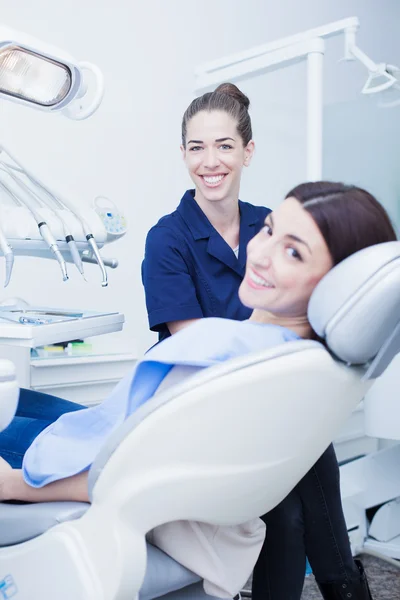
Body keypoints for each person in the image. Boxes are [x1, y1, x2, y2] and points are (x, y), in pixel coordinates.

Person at [0, 181, 396, 600]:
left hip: (73, 469)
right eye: (268, 231)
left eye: (293, 252)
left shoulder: (228, 361)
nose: (260, 255)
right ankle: (345, 586)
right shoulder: (304, 363)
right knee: (23, 399)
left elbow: (122, 479)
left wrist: (10, 485)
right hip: (124, 445)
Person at [141, 83, 396, 600]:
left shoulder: (271, 225)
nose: (209, 161)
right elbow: (202, 351)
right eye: (196, 147)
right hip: (206, 401)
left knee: (304, 465)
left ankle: (344, 588)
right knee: (288, 509)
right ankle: (346, 589)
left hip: (273, 399)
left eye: (224, 146)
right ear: (183, 154)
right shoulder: (167, 238)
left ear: (247, 151)